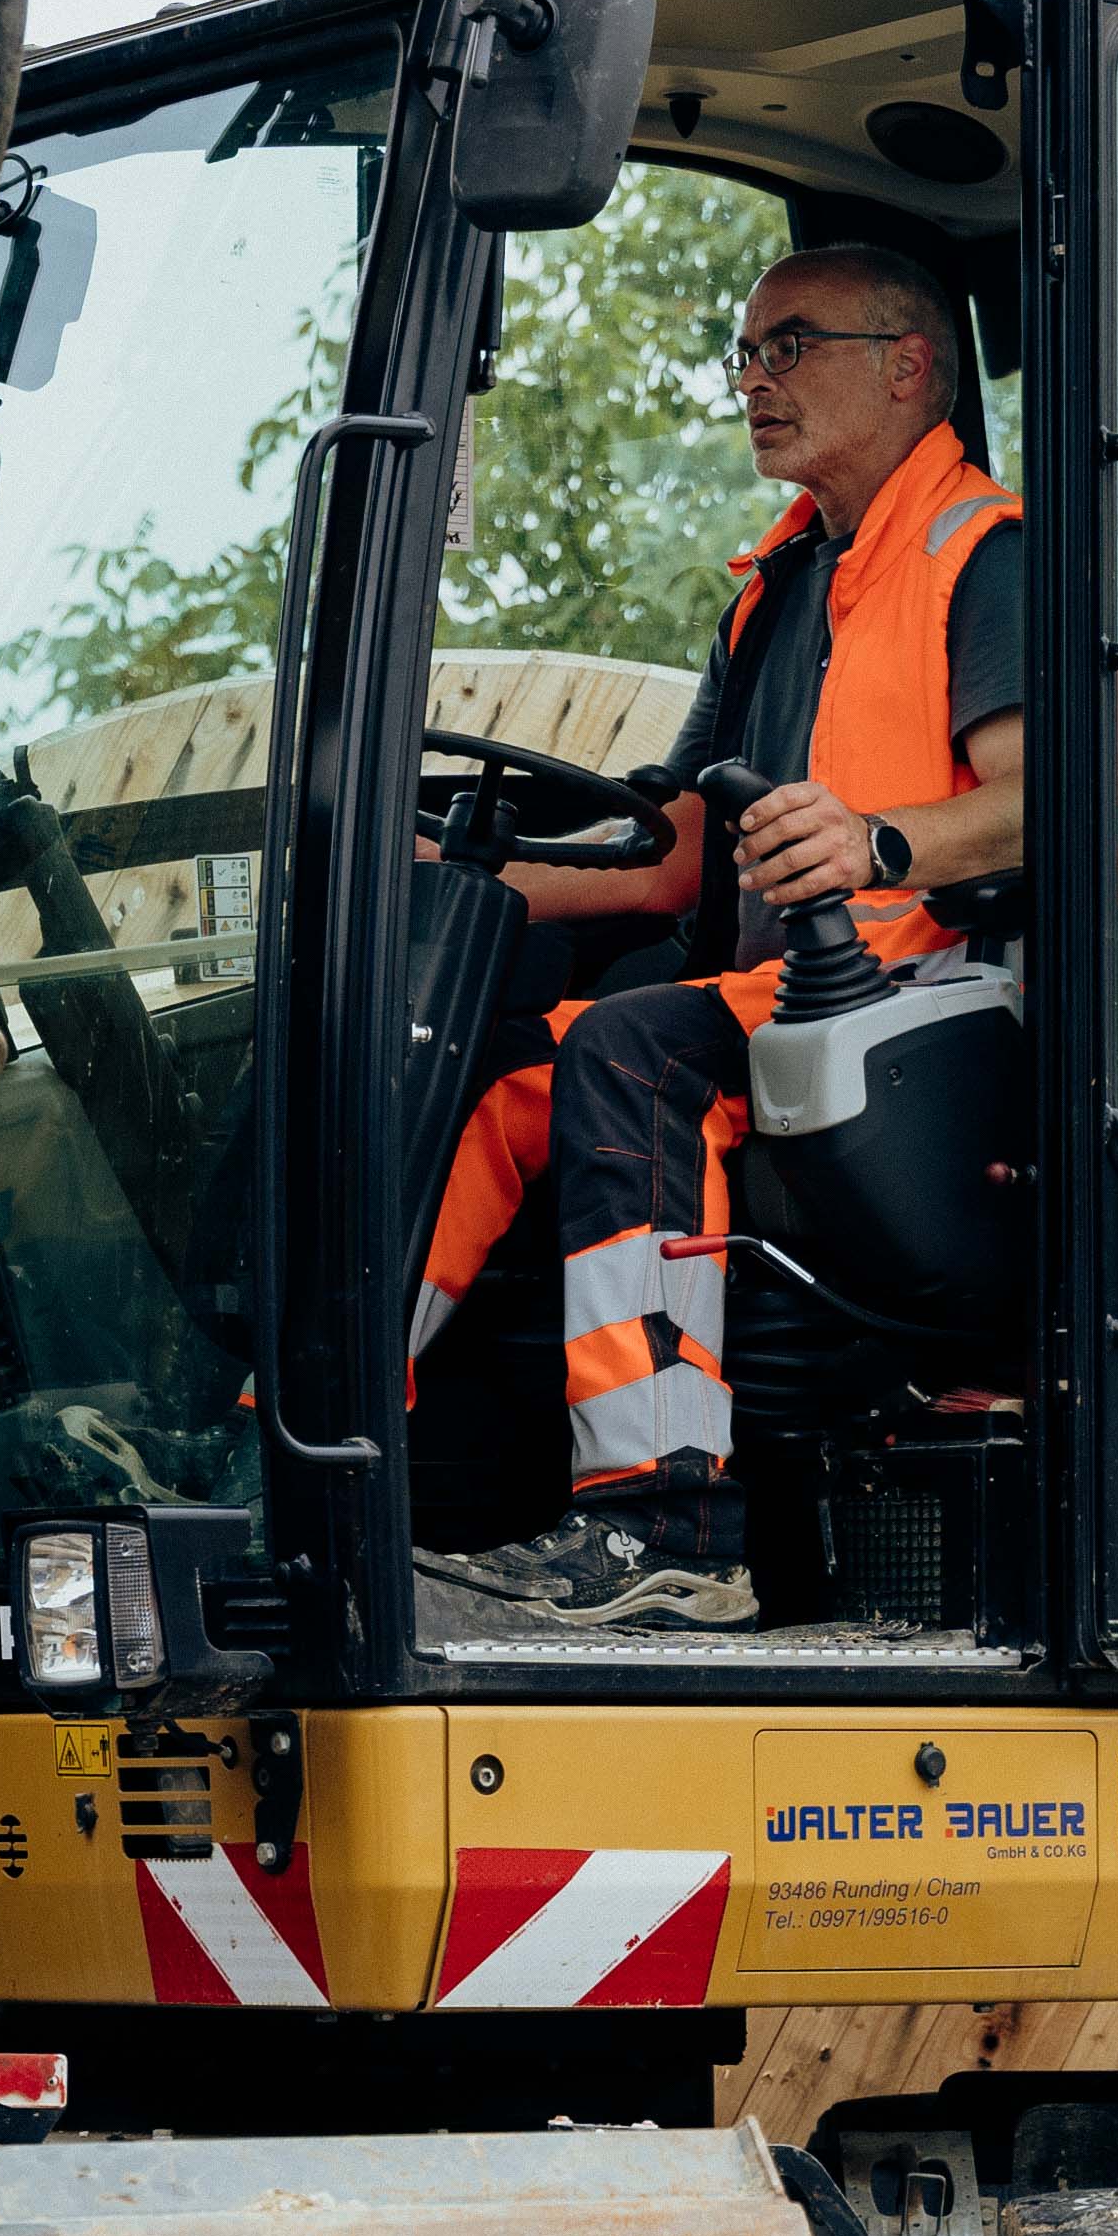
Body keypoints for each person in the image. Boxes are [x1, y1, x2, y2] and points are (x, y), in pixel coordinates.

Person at [412, 240, 1027, 1630]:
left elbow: (1051, 804)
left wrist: (882, 842)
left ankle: (667, 1526)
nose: (754, 381)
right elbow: (670, 854)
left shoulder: (984, 556)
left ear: (907, 366)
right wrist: (454, 871)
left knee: (636, 1052)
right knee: (491, 1063)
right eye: (744, 354)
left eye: (788, 347)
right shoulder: (775, 588)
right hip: (776, 992)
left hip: (917, 996)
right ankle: (322, 1447)